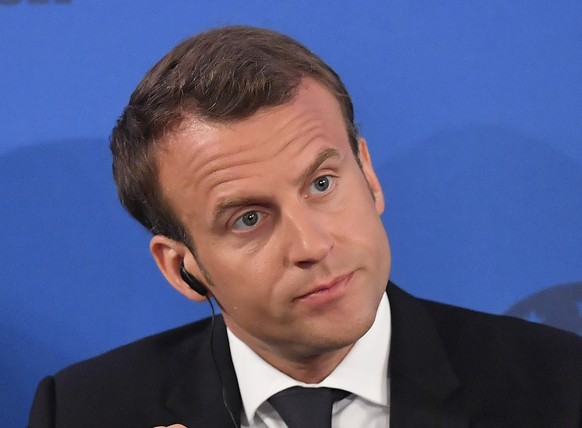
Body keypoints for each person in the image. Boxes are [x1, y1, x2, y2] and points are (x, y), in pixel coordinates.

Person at [28, 25, 582, 428]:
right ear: (183, 267)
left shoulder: (559, 386)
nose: (313, 244)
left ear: (367, 174)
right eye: (248, 218)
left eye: (321, 184)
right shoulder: (83, 410)